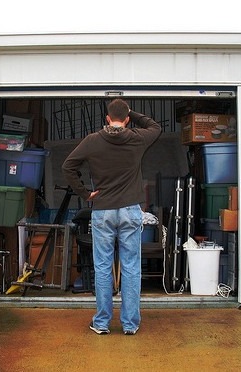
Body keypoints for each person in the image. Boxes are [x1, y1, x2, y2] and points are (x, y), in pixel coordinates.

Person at [62, 98, 161, 335]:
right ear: (126, 119)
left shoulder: (93, 140)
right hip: (129, 210)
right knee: (131, 267)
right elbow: (155, 127)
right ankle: (129, 324)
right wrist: (131, 113)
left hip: (103, 210)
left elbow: (68, 166)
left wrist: (86, 193)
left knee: (103, 266)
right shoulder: (137, 138)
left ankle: (102, 322)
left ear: (107, 118)